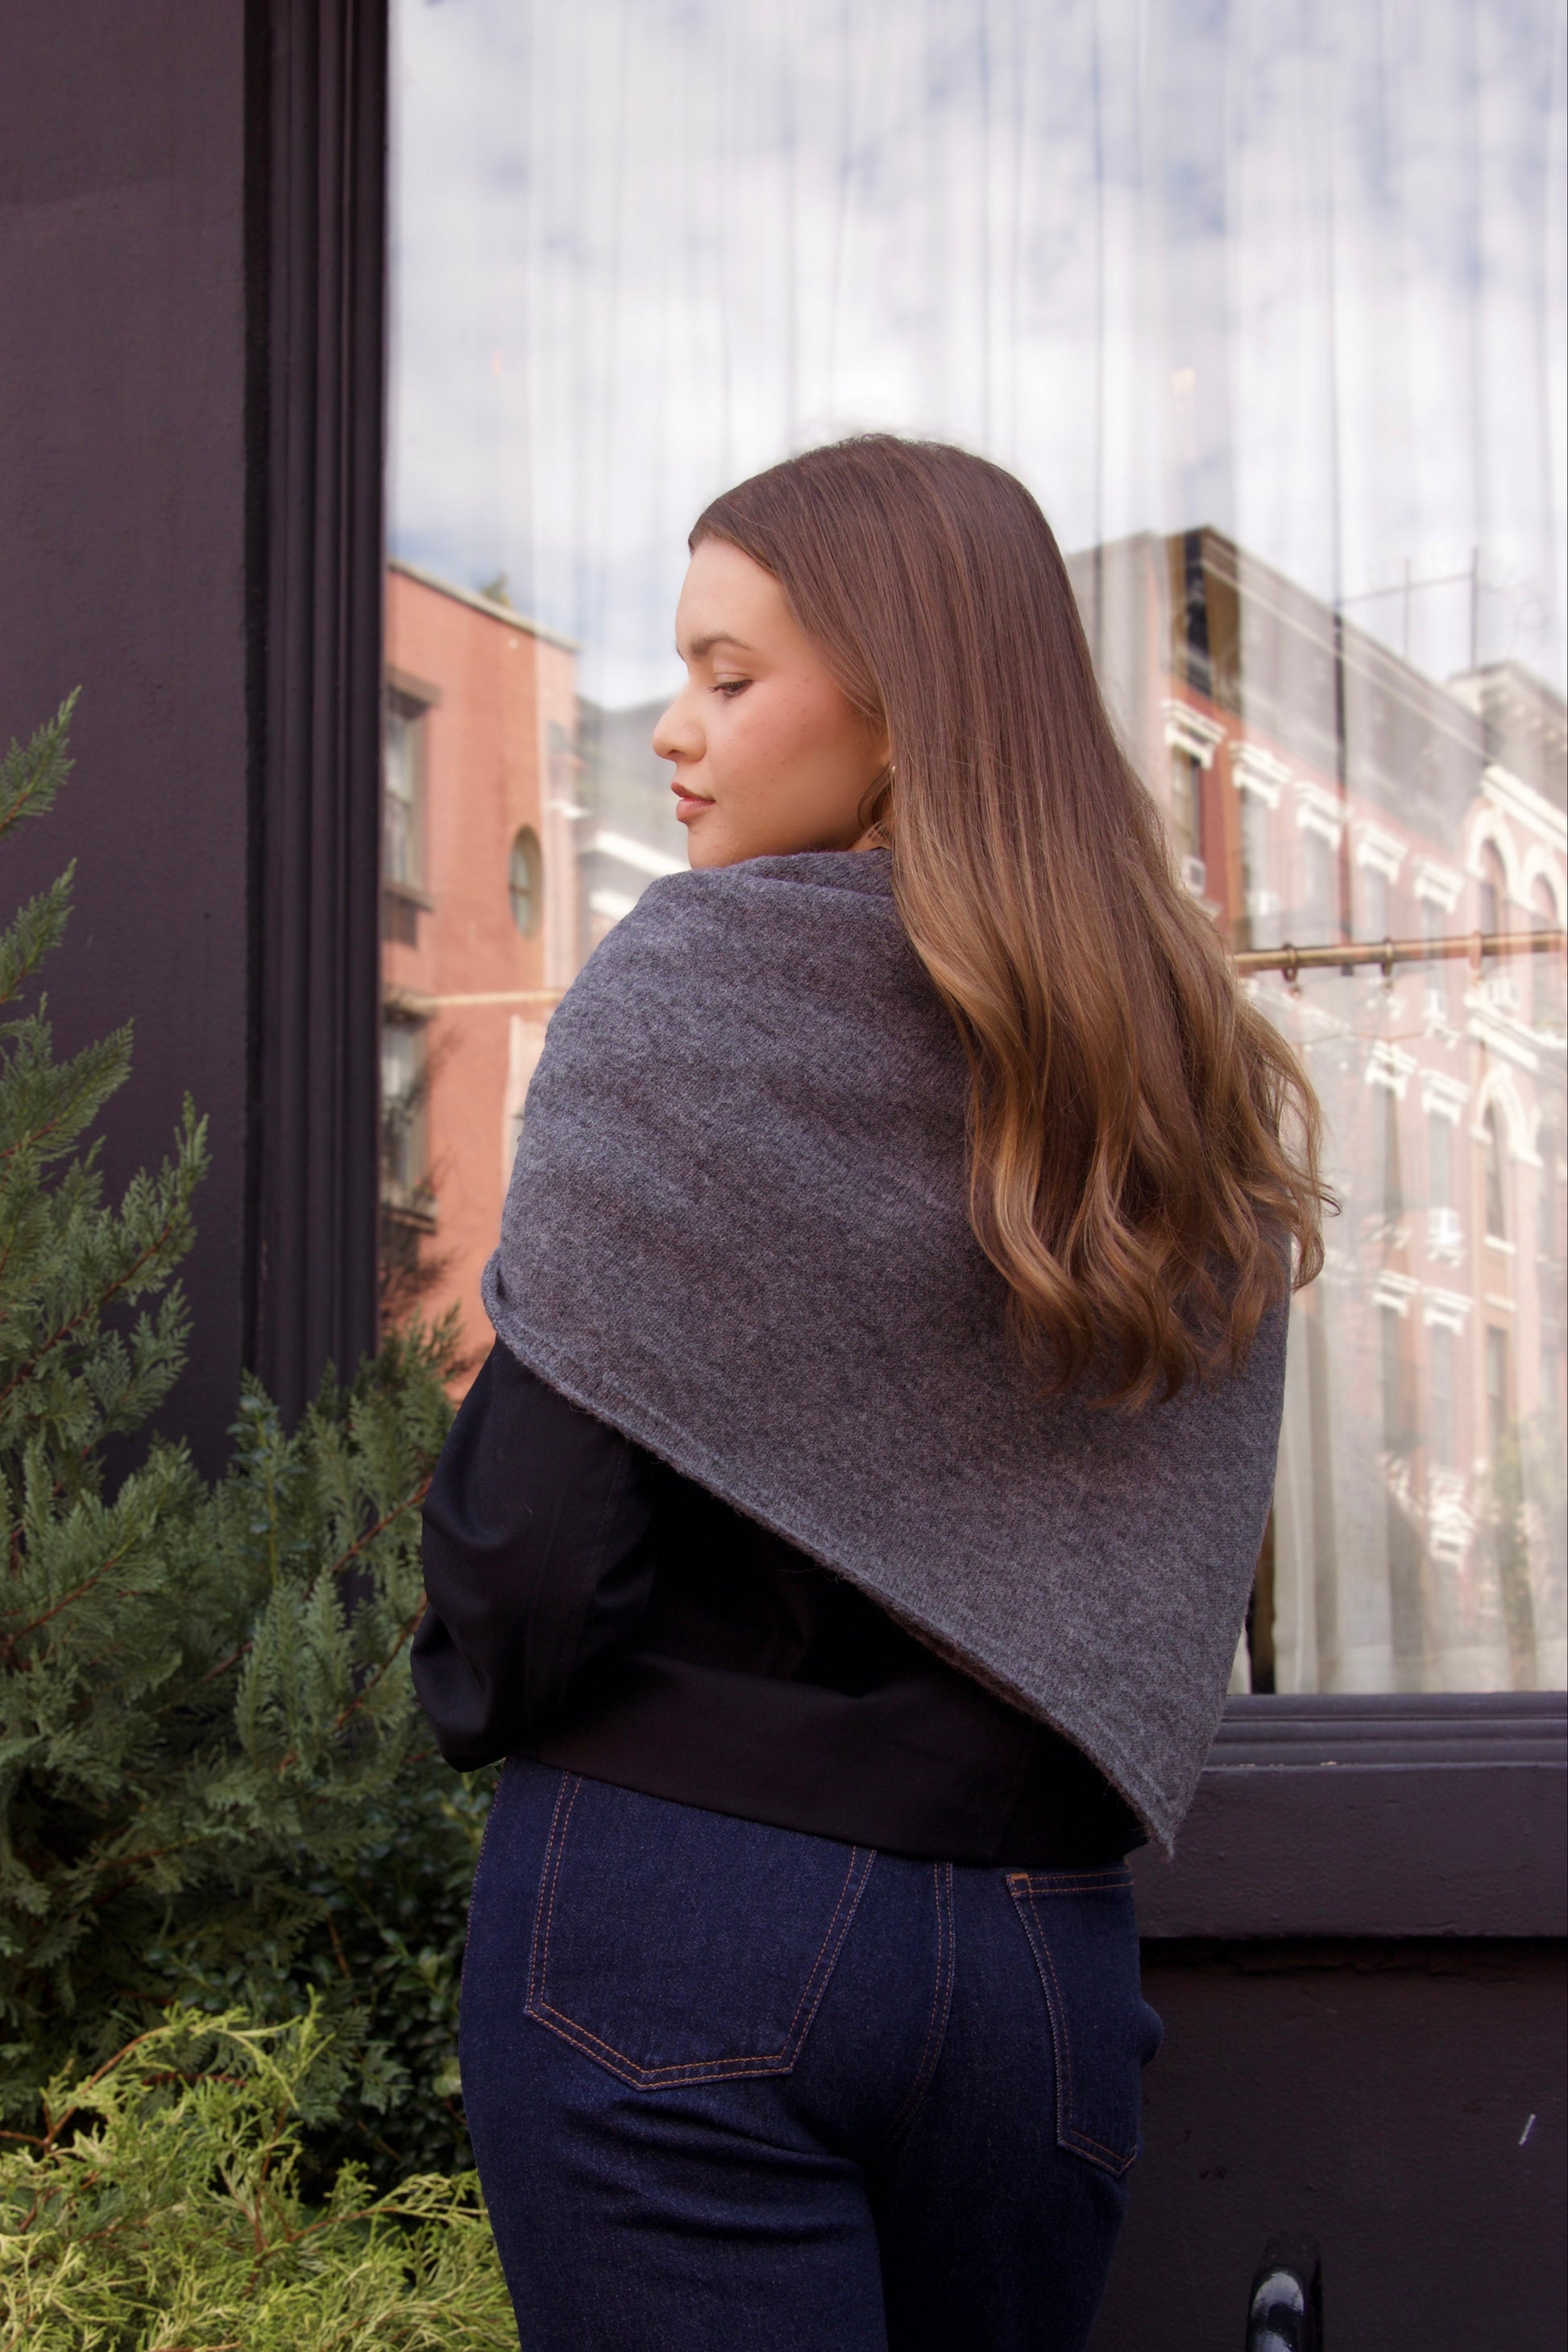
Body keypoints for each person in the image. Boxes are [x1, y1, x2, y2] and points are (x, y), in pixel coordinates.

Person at [412, 435, 1325, 2352]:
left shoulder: (688, 988)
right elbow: (1162, 1582)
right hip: (1038, 1973)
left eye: (729, 676)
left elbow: (527, 1558)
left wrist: (482, 1701)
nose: (673, 728)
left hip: (673, 1914)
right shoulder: (1180, 1082)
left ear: (904, 708)